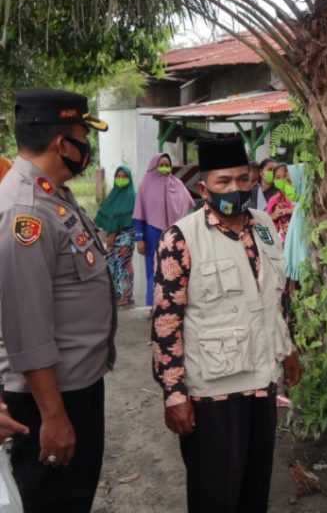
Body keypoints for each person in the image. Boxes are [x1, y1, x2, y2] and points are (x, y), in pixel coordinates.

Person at [151, 136, 301, 513]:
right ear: (204, 187)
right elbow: (166, 324)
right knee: (214, 498)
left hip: (260, 386)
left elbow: (276, 298)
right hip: (211, 393)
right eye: (223, 182)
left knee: (254, 495)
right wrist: (174, 395)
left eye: (242, 179)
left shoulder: (265, 225)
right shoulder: (180, 238)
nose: (235, 188)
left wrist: (288, 349)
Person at [0, 89, 115, 512]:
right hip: (49, 397)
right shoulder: (25, 211)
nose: (88, 146)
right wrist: (53, 416)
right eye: (83, 134)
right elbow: (26, 328)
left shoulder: (54, 195)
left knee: (73, 497)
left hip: (75, 387)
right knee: (55, 502)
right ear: (61, 144)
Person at [133, 152, 194, 307]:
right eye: (161, 165)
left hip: (175, 234)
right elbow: (139, 215)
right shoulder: (144, 186)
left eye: (167, 165)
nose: (165, 168)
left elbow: (189, 207)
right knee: (153, 271)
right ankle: (152, 306)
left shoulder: (177, 184)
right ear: (154, 166)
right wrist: (139, 238)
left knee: (175, 268)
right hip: (152, 234)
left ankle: (173, 304)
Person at [95, 165, 137, 306]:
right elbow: (107, 216)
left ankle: (126, 295)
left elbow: (126, 219)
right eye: (118, 176)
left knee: (123, 264)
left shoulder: (131, 196)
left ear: (129, 178)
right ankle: (118, 294)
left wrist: (113, 234)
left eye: (124, 176)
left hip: (125, 236)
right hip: (112, 237)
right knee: (113, 264)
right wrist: (108, 235)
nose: (120, 179)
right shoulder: (113, 195)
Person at [266, 163, 296, 244]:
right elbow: (265, 220)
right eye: (278, 177)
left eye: (284, 177)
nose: (281, 180)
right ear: (274, 180)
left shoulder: (298, 195)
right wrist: (274, 215)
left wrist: (288, 210)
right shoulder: (274, 200)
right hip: (280, 241)